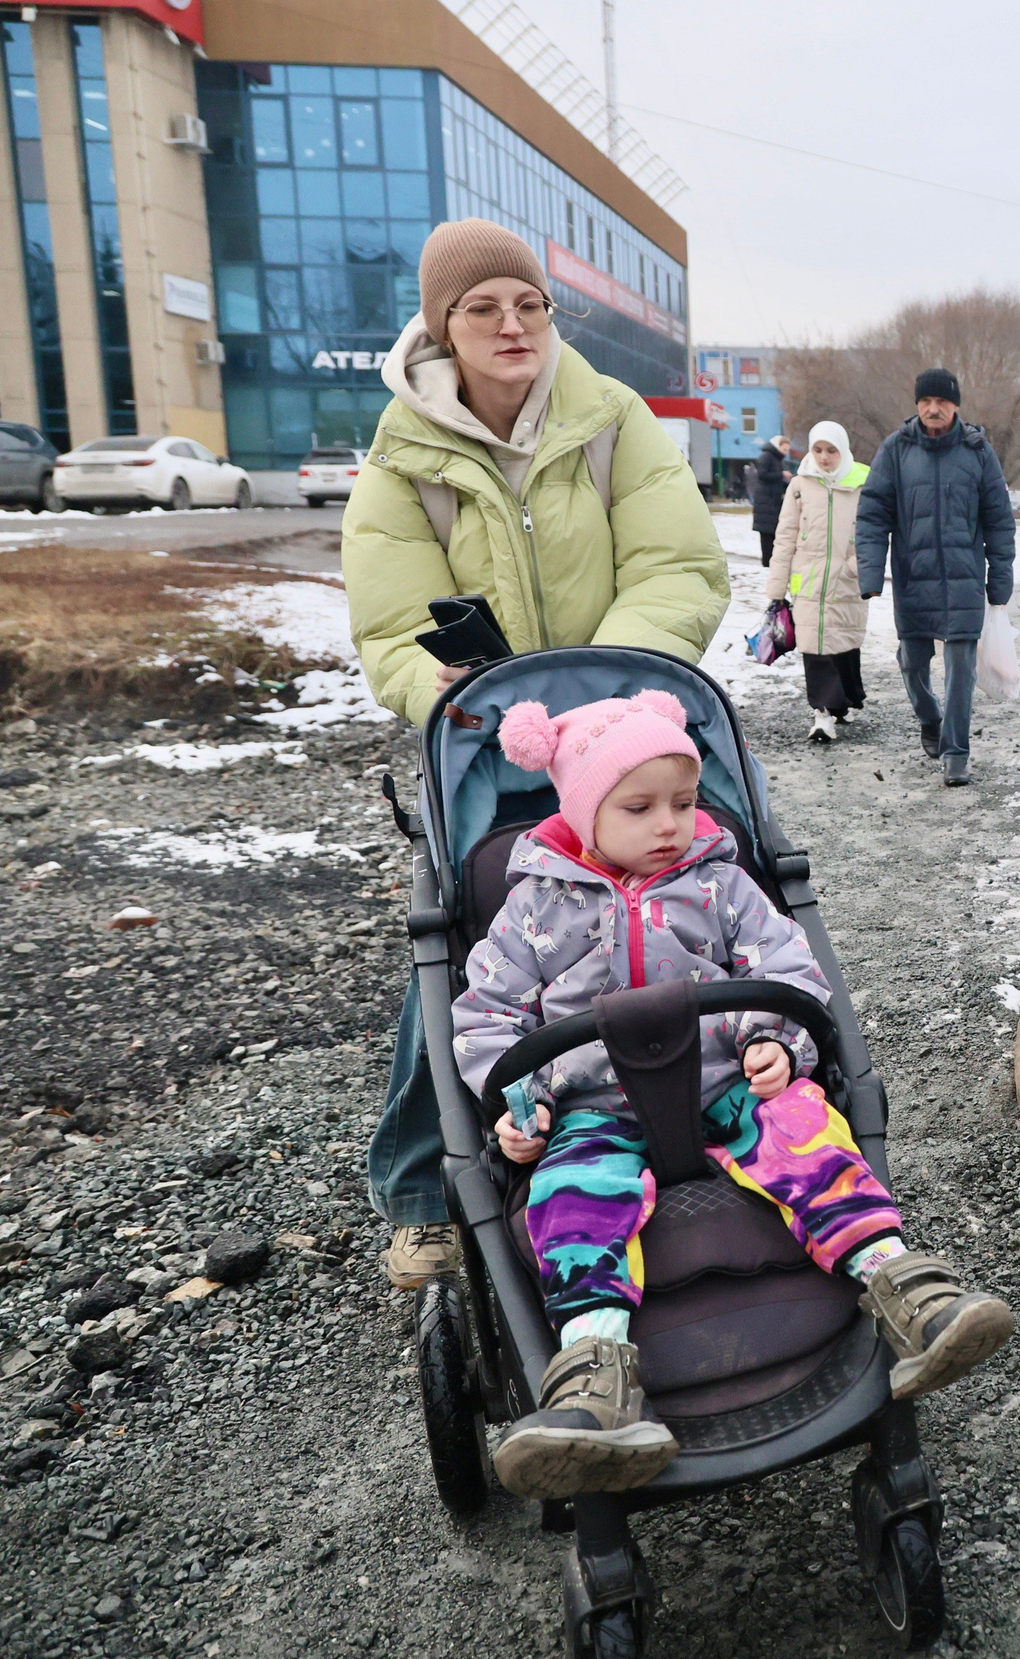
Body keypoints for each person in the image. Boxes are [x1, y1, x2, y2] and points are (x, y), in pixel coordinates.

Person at [458, 691, 1016, 1497]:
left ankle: (902, 1285)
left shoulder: (721, 884)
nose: (669, 824)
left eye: (684, 803)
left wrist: (773, 1041)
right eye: (640, 806)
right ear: (583, 811)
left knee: (806, 1126)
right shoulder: (533, 907)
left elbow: (786, 969)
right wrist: (525, 1103)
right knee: (572, 1198)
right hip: (592, 1111)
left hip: (726, 1085)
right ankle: (592, 1381)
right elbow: (488, 1016)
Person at [340, 217, 730, 1294]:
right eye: (482, 308)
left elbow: (679, 566)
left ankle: (765, 1096)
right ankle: (430, 1191)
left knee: (709, 894)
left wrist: (605, 694)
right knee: (475, 947)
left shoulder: (612, 424)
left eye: (529, 304)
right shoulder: (402, 462)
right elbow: (390, 632)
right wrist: (447, 690)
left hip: (631, 726)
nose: (511, 325)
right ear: (441, 326)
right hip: (488, 747)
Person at [856, 368, 1014, 787]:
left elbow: (1000, 521)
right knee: (912, 665)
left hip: (963, 581)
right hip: (913, 580)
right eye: (925, 401)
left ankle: (956, 753)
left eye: (941, 402)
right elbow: (872, 515)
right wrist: (871, 573)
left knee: (961, 670)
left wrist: (1000, 579)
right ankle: (931, 719)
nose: (933, 409)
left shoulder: (979, 452)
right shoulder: (896, 450)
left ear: (956, 405)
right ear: (916, 405)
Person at [765, 421, 870, 744]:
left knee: (843, 644)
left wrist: (857, 567)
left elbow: (873, 533)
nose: (824, 457)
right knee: (814, 647)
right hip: (807, 582)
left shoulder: (863, 485)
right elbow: (785, 537)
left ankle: (845, 700)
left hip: (847, 582)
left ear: (843, 450)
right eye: (818, 450)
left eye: (831, 450)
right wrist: (776, 590)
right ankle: (822, 714)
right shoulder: (799, 485)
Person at [751, 434, 792, 564]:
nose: (785, 453)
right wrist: (781, 475)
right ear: (777, 446)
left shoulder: (775, 459)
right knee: (767, 535)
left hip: (772, 502)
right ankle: (767, 562)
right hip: (766, 502)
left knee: (773, 533)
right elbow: (762, 475)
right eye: (784, 449)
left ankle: (770, 561)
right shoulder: (767, 457)